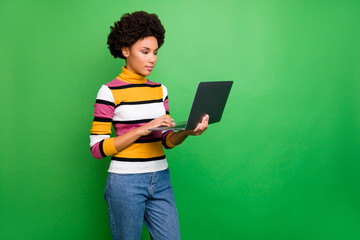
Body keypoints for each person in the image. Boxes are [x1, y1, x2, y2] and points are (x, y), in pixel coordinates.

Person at [89, 11, 209, 240]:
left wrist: (186, 132)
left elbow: (166, 140)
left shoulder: (159, 90)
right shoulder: (109, 92)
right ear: (125, 50)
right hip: (126, 183)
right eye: (144, 52)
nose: (152, 58)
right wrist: (142, 129)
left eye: (155, 52)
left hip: (160, 178)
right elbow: (97, 148)